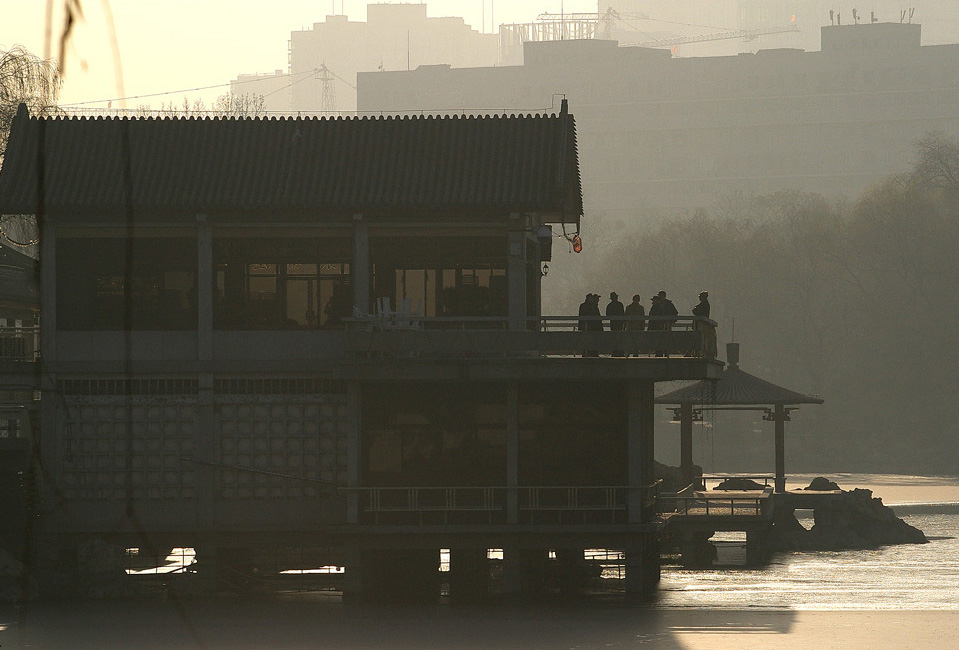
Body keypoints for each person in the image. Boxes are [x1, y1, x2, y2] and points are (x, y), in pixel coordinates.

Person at [692, 290, 716, 357]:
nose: (699, 298)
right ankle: (696, 352)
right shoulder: (705, 304)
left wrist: (695, 309)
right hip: (701, 324)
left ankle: (697, 352)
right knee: (698, 338)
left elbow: (695, 311)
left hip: (701, 325)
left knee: (698, 338)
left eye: (700, 297)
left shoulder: (704, 304)